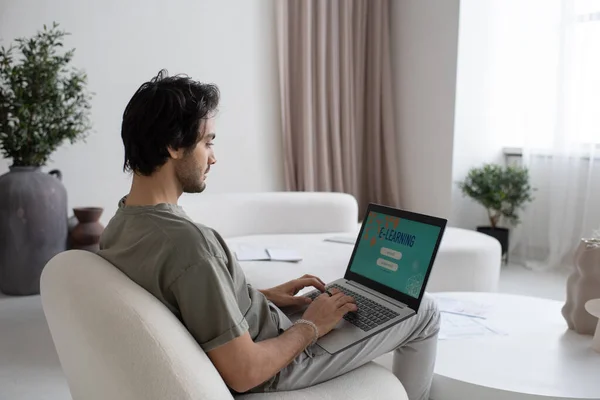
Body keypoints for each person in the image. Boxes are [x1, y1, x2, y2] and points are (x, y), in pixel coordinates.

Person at [97, 70, 440, 400]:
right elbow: (244, 372)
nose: (213, 158)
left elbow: (185, 301)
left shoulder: (122, 224)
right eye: (207, 142)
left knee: (346, 299)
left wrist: (260, 295)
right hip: (275, 364)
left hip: (260, 328)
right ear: (174, 145)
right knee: (423, 310)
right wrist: (311, 327)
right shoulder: (189, 244)